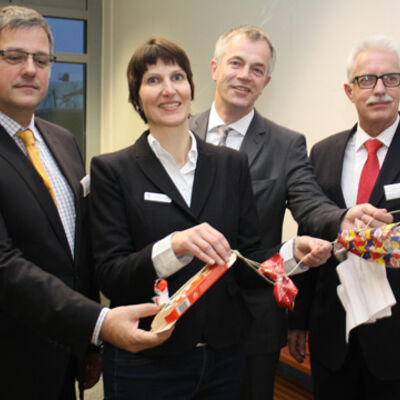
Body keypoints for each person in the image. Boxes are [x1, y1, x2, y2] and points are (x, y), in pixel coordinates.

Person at [90, 37, 334, 400]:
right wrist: (173, 246)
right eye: (153, 80)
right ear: (136, 95)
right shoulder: (112, 170)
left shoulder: (230, 164)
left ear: (191, 86)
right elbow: (111, 275)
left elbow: (245, 258)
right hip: (149, 358)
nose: (169, 90)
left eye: (177, 77)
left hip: (223, 359)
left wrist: (291, 251)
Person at [189, 25, 393, 400]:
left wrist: (341, 218)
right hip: (179, 321)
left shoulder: (287, 145)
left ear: (266, 81)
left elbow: (310, 204)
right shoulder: (178, 130)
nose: (245, 76)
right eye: (236, 63)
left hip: (252, 326)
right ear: (215, 67)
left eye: (257, 69)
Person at [0, 5, 171, 400]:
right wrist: (99, 323)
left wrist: (89, 344)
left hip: (64, 356)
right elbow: (5, 266)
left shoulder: (62, 140)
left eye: (41, 59)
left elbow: (79, 251)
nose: (30, 69)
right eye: (14, 56)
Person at [288, 34, 400, 400]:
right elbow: (309, 232)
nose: (379, 89)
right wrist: (298, 320)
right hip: (333, 334)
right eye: (367, 79)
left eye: (391, 78)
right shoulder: (323, 152)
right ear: (349, 90)